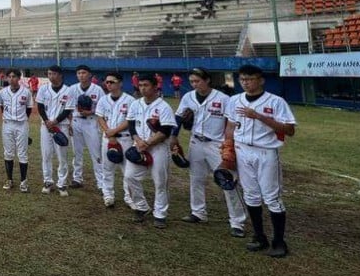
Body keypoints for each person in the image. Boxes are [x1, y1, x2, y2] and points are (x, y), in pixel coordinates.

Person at [227, 64, 297, 258]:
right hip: (242, 150)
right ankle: (259, 236)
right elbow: (231, 125)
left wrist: (259, 116)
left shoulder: (276, 102)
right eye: (242, 79)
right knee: (250, 195)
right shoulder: (234, 100)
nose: (246, 83)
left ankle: (279, 241)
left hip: (266, 151)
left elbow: (289, 130)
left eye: (250, 79)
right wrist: (227, 148)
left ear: (261, 80)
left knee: (272, 197)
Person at [175, 68, 246, 237]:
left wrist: (230, 144)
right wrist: (173, 137)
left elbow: (232, 121)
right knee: (196, 179)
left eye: (197, 81)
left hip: (217, 144)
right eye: (192, 81)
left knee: (227, 181)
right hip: (196, 141)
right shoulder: (188, 96)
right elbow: (178, 117)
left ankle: (238, 222)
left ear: (207, 80)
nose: (194, 84)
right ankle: (198, 212)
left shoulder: (223, 99)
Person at [121, 73, 174, 228]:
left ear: (155, 86)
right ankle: (142, 207)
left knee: (160, 182)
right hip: (138, 145)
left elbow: (166, 130)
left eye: (146, 85)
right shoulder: (136, 104)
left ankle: (160, 214)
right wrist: (138, 141)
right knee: (130, 177)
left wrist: (148, 143)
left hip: (158, 147)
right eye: (141, 85)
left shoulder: (163, 106)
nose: (143, 88)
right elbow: (131, 125)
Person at [62, 65, 105, 192]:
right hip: (76, 121)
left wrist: (91, 112)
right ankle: (77, 178)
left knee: (96, 153)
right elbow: (69, 108)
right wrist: (69, 123)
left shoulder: (98, 90)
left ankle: (101, 182)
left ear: (90, 74)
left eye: (84, 72)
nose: (81, 75)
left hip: (91, 122)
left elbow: (102, 109)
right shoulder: (72, 89)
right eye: (79, 73)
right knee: (77, 152)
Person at [95, 72, 134, 209]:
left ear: (120, 83)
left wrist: (114, 131)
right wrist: (109, 133)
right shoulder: (103, 100)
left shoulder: (130, 100)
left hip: (125, 139)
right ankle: (108, 195)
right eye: (107, 82)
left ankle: (129, 198)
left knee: (128, 171)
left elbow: (130, 120)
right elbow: (100, 117)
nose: (109, 84)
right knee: (107, 168)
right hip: (108, 139)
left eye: (112, 82)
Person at [36, 64, 72, 196]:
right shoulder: (43, 89)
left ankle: (62, 184)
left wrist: (55, 122)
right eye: (49, 74)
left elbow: (68, 110)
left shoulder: (68, 91)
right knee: (46, 155)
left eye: (54, 74)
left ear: (60, 75)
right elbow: (40, 107)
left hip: (61, 126)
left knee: (62, 156)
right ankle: (48, 181)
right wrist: (47, 121)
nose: (51, 76)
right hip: (46, 126)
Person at [0, 69, 33, 192]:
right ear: (7, 78)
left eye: (14, 76)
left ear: (19, 78)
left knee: (22, 153)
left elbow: (29, 109)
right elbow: (2, 107)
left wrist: (22, 119)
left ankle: (23, 181)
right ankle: (9, 179)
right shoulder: (2, 92)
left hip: (21, 124)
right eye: (9, 77)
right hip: (7, 124)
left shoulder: (26, 92)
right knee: (8, 152)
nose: (11, 79)